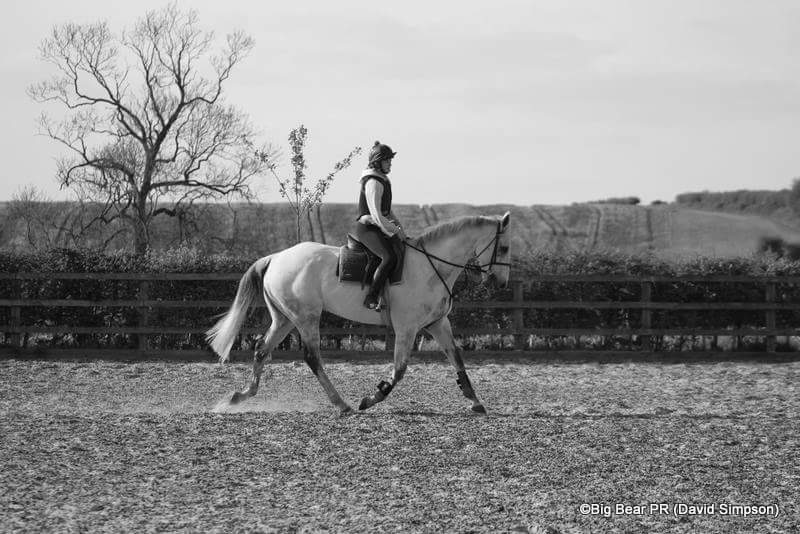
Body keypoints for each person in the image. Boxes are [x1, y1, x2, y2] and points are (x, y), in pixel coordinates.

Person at [353, 141, 407, 310]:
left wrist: (401, 232)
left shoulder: (383, 180)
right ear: (377, 161)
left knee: (402, 249)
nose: (390, 163)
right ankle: (371, 296)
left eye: (390, 160)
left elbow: (388, 212)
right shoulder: (373, 182)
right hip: (367, 229)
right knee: (388, 257)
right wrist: (394, 231)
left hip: (379, 226)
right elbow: (376, 215)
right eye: (387, 160)